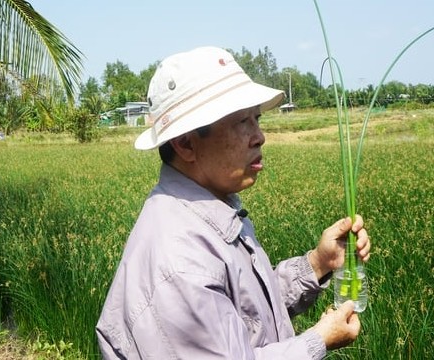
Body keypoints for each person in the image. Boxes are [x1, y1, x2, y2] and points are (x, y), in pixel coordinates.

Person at [96, 46, 371, 359]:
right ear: (186, 143)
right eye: (242, 122)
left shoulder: (213, 210)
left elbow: (243, 313)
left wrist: (318, 264)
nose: (259, 136)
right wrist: (318, 340)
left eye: (257, 118)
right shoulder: (179, 262)